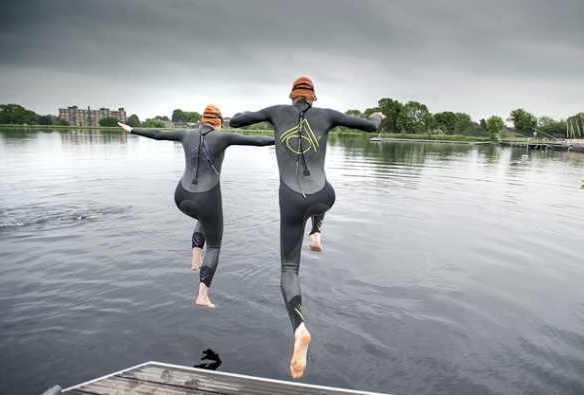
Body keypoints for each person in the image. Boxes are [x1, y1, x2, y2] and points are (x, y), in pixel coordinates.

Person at [229, 77, 386, 379]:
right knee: (319, 202)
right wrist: (378, 116)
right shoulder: (327, 114)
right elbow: (370, 126)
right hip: (325, 196)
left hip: (291, 199)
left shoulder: (276, 111)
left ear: (291, 98)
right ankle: (316, 232)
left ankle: (299, 329)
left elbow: (236, 122)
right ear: (313, 98)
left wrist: (241, 116)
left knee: (289, 270)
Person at [117, 104, 275, 309]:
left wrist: (131, 129)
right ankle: (203, 295)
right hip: (207, 198)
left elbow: (157, 134)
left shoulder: (186, 133)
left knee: (202, 220)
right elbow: (259, 141)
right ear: (218, 122)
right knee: (215, 245)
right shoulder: (222, 137)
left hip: (181, 196)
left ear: (202, 120)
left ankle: (195, 260)